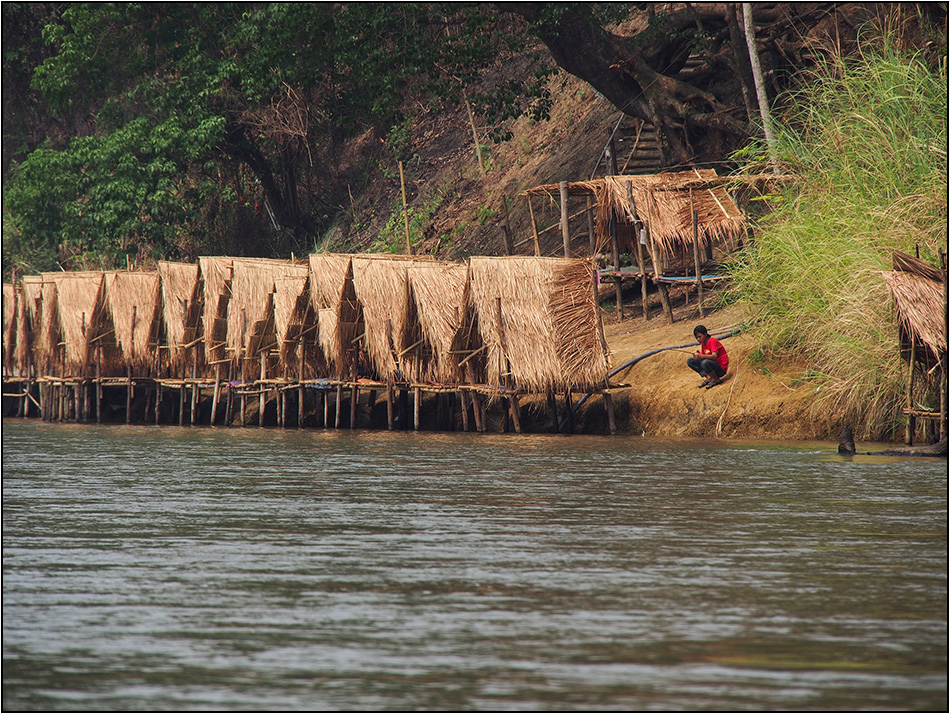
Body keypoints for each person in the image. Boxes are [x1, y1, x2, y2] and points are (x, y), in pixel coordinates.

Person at [687, 325, 728, 389]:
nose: (698, 339)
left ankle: (716, 379)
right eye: (696, 337)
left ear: (705, 334)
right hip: (712, 367)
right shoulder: (703, 343)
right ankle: (709, 377)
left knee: (705, 362)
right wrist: (698, 355)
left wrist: (700, 356)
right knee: (690, 361)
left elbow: (714, 356)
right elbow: (703, 356)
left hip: (720, 368)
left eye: (700, 337)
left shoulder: (712, 341)